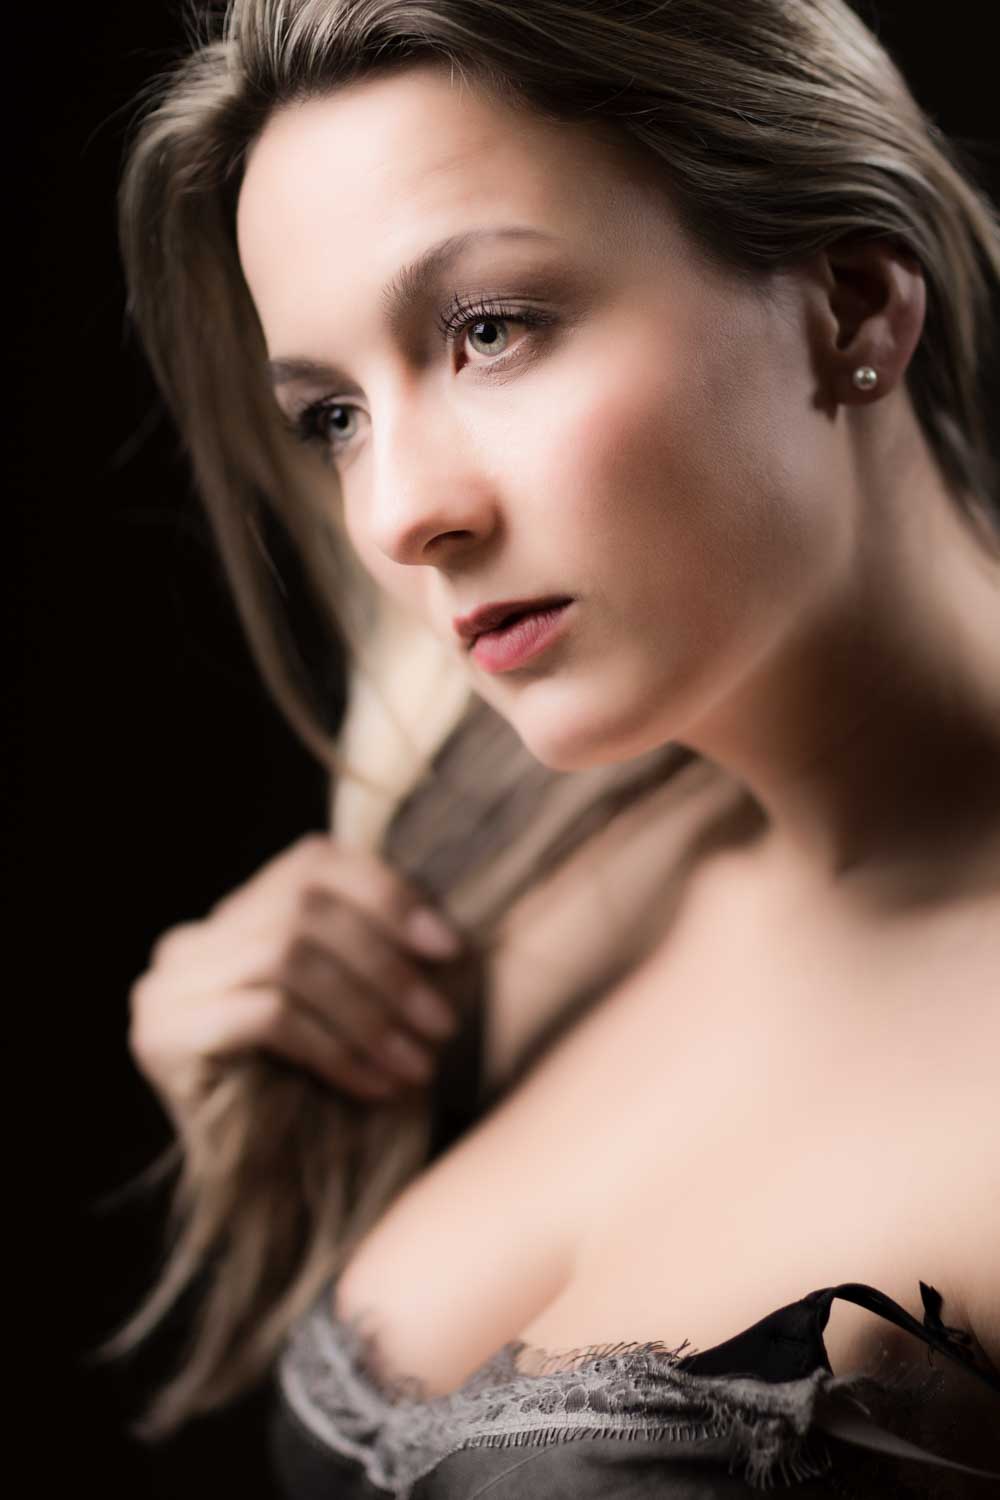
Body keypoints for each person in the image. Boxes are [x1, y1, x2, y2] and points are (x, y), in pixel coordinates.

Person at [101, 1, 1000, 1494]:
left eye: (489, 329)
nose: (398, 513)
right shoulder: (507, 881)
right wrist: (282, 1129)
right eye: (332, 413)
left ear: (852, 301)